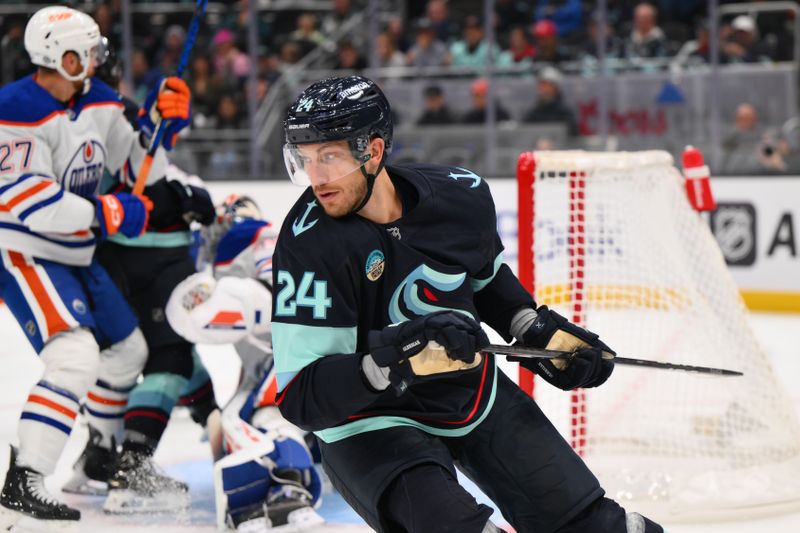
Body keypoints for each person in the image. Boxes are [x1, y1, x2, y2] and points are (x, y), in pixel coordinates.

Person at [274, 75, 664, 532]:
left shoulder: (460, 195)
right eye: (304, 160)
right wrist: (395, 360)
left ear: (373, 151)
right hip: (367, 421)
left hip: (471, 393)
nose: (316, 177)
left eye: (329, 157)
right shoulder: (308, 244)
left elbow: (486, 280)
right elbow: (301, 395)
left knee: (594, 527)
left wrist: (536, 329)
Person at [0, 5, 189, 529]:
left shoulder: (101, 102)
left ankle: (99, 456)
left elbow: (138, 168)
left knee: (128, 351)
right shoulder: (14, 109)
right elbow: (28, 201)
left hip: (77, 251)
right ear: (54, 54)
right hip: (23, 251)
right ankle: (24, 481)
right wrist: (110, 212)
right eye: (84, 50)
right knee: (75, 357)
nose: (94, 58)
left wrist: (161, 125)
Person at [61, 38, 220, 514]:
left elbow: (148, 163)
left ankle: (99, 457)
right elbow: (147, 185)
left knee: (139, 357)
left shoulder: (72, 116)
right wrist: (187, 197)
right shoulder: (104, 112)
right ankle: (132, 468)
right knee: (168, 355)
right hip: (146, 260)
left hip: (112, 261)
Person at [165, 195, 324, 532]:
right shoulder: (236, 247)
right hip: (280, 355)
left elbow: (275, 289)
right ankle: (286, 476)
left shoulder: (257, 235)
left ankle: (289, 487)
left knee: (253, 416)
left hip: (287, 353)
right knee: (249, 414)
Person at [522, 66, 578, 135]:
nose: (542, 88)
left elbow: (573, 133)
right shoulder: (533, 113)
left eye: (546, 84)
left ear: (555, 87)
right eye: (541, 84)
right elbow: (524, 133)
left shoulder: (565, 113)